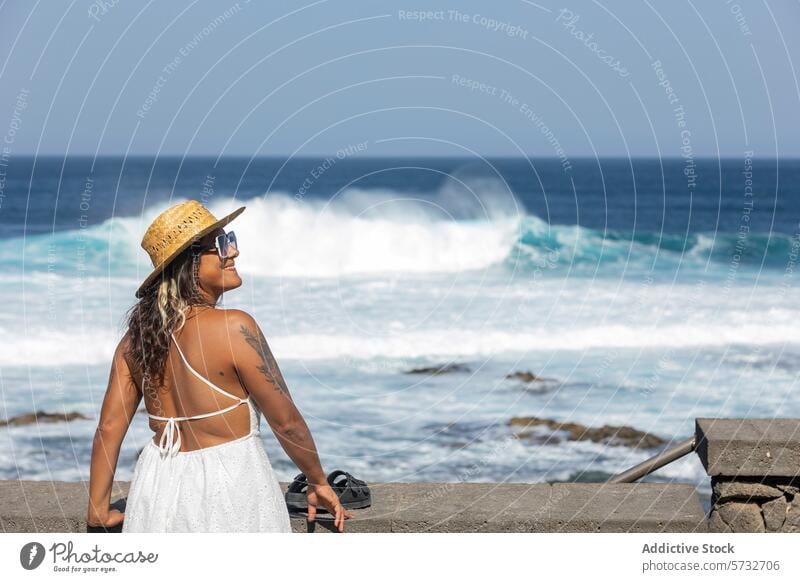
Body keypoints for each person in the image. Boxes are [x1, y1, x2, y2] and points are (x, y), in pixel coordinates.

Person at [86, 199, 351, 532]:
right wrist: (317, 480)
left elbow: (109, 429)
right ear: (190, 263)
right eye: (222, 245)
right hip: (230, 487)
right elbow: (287, 423)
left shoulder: (133, 340)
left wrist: (97, 509)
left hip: (154, 491)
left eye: (232, 240)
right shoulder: (235, 328)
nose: (233, 252)